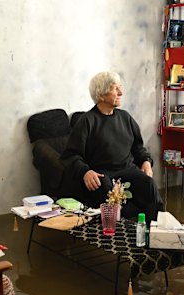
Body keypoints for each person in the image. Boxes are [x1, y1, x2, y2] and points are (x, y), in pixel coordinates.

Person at [61, 71, 164, 222]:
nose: (121, 93)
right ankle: (112, 234)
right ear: (101, 95)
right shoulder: (87, 121)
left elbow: (138, 148)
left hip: (127, 170)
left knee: (148, 183)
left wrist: (146, 162)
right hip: (102, 174)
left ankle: (157, 230)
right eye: (116, 89)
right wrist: (85, 172)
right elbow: (70, 155)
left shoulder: (126, 118)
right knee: (104, 186)